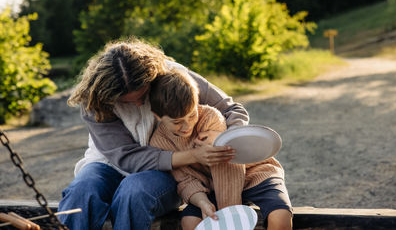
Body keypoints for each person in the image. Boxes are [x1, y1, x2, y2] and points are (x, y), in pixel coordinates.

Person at [58, 38, 249, 230]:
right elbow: (127, 157)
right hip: (106, 166)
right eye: (126, 102)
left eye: (142, 96)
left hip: (163, 173)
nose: (140, 105)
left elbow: (231, 109)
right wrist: (193, 155)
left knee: (133, 192)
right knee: (82, 191)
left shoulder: (174, 76)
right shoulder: (95, 99)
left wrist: (221, 137)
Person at [149, 69, 293, 230]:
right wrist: (202, 201)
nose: (187, 125)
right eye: (177, 122)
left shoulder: (210, 117)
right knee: (190, 221)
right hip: (212, 187)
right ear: (157, 115)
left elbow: (228, 168)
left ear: (197, 103)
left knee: (280, 216)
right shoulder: (159, 142)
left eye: (191, 116)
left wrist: (228, 215)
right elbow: (185, 179)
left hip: (254, 173)